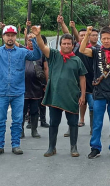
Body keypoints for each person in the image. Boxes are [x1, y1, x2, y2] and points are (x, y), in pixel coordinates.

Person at [0, 24, 42, 156]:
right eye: (7, 35)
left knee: (18, 120)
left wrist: (34, 38)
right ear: (3, 37)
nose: (10, 38)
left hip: (18, 92)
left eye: (12, 35)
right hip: (1, 92)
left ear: (15, 37)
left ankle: (16, 145)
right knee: (0, 120)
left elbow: (37, 54)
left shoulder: (22, 51)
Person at [32, 26, 87, 157]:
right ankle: (52, 147)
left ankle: (73, 148)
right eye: (64, 43)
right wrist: (38, 35)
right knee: (54, 123)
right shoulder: (54, 55)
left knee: (73, 123)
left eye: (69, 44)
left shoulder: (77, 60)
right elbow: (42, 47)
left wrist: (83, 95)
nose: (66, 46)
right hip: (55, 96)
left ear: (73, 45)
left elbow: (82, 78)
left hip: (72, 96)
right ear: (60, 44)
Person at [80, 26, 110, 159]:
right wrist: (88, 34)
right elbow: (82, 50)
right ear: (100, 40)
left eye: (108, 38)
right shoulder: (95, 52)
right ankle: (95, 148)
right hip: (99, 92)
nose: (106, 41)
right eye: (103, 38)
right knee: (97, 122)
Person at [60, 17, 97, 136]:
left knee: (92, 107)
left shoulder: (94, 50)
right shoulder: (75, 47)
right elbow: (67, 33)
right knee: (73, 106)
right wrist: (63, 23)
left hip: (91, 83)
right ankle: (71, 128)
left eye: (86, 35)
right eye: (81, 35)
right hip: (75, 83)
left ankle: (93, 128)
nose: (83, 37)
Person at [21, 32, 48, 139]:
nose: (31, 42)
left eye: (33, 40)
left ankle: (34, 129)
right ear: (26, 41)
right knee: (21, 111)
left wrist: (46, 82)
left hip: (36, 86)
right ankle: (20, 130)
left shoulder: (41, 53)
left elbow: (46, 68)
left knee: (34, 110)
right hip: (22, 86)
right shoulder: (22, 52)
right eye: (29, 40)